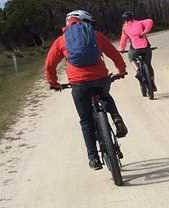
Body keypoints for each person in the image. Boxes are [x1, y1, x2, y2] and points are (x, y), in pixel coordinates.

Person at [45, 10, 128, 170]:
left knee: (86, 121)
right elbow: (113, 53)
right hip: (100, 78)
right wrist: (121, 70)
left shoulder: (61, 40)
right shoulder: (96, 35)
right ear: (85, 22)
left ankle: (93, 158)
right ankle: (116, 118)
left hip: (78, 83)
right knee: (105, 95)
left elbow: (49, 64)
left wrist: (54, 83)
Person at [119, 11, 156, 96]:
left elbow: (123, 39)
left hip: (135, 50)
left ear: (124, 20)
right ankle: (152, 83)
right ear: (133, 17)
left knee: (131, 57)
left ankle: (138, 70)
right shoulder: (140, 23)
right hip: (146, 48)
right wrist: (145, 31)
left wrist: (121, 49)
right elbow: (150, 21)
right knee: (149, 65)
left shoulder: (125, 27)